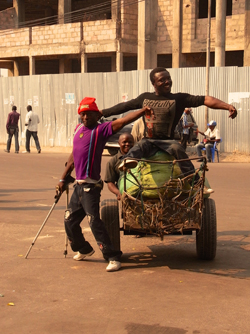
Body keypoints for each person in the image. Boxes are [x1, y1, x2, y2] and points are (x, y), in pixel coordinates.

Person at [56, 97, 151, 272]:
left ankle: (113, 257)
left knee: (94, 222)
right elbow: (73, 155)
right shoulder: (78, 130)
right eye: (83, 114)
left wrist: (142, 111)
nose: (85, 118)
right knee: (69, 221)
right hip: (78, 185)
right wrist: (63, 178)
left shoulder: (100, 130)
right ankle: (84, 249)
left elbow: (122, 121)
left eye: (89, 114)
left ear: (97, 114)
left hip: (91, 187)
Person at [101, 67, 237, 179]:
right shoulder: (145, 98)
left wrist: (227, 106)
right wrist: (102, 113)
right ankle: (126, 167)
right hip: (148, 141)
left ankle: (193, 181)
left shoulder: (179, 98)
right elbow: (124, 107)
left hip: (168, 141)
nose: (167, 82)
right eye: (162, 80)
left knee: (179, 151)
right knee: (135, 150)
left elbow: (206, 100)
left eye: (168, 78)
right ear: (154, 84)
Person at [105, 132, 134, 200]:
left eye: (130, 142)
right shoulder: (112, 162)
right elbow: (110, 183)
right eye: (124, 142)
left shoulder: (139, 158)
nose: (127, 144)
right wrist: (119, 193)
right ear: (119, 143)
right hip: (125, 195)